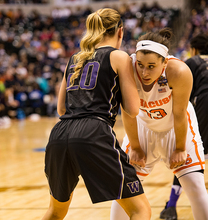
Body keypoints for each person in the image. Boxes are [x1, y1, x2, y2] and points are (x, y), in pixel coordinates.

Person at [42, 8, 151, 220]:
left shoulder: (74, 58)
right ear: (120, 32)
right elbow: (132, 109)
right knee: (140, 210)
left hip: (59, 135)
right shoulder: (119, 56)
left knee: (55, 212)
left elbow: (61, 109)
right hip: (94, 132)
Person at [110, 28, 208, 220]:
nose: (144, 72)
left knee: (194, 186)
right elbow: (127, 112)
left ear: (164, 62)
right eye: (141, 65)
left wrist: (179, 147)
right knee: (125, 190)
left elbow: (179, 114)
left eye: (151, 66)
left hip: (175, 128)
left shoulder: (180, 71)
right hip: (141, 127)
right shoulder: (127, 68)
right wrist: (134, 146)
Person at [160, 34, 208, 220]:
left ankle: (171, 206)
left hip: (207, 99)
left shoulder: (193, 61)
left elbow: (183, 93)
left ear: (194, 49)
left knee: (188, 155)